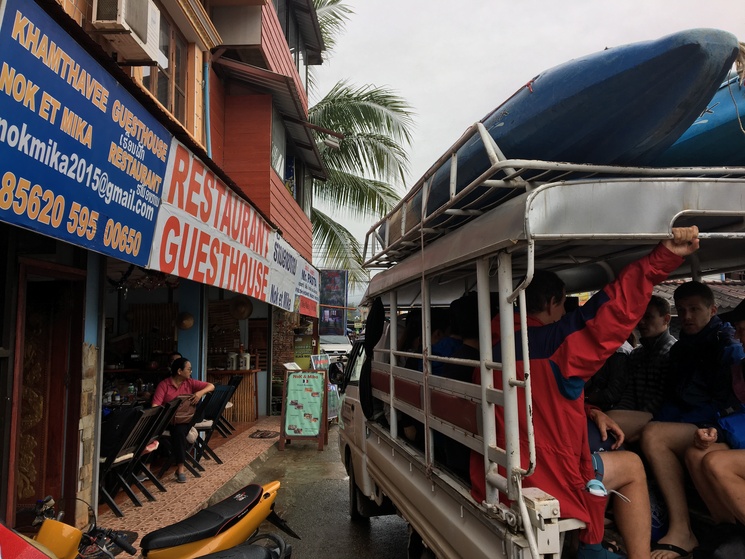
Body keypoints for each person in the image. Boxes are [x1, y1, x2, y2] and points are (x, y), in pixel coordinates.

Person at [471, 226, 701, 559]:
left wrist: (591, 411)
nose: (564, 314)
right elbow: (608, 315)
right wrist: (660, 259)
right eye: (563, 306)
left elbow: (535, 398)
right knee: (632, 465)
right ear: (552, 302)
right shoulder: (552, 345)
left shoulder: (493, 346)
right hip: (547, 473)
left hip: (501, 468)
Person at [640, 284, 745, 559]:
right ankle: (726, 530)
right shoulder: (683, 348)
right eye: (682, 310)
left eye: (694, 309)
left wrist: (717, 431)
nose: (686, 316)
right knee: (697, 453)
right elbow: (677, 396)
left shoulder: (727, 348)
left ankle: (688, 529)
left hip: (717, 424)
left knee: (656, 435)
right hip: (717, 427)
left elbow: (727, 405)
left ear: (712, 310)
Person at [607, 296, 676, 443]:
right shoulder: (637, 354)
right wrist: (621, 412)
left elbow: (663, 398)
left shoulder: (672, 352)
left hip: (660, 417)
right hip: (637, 414)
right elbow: (629, 393)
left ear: (666, 319)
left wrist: (631, 419)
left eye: (648, 317)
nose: (641, 322)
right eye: (640, 317)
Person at [151, 357, 214, 483]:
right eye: (189, 369)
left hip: (185, 420)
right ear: (179, 371)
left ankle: (180, 468)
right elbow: (155, 406)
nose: (191, 372)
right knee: (177, 432)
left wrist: (199, 393)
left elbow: (211, 386)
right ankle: (178, 467)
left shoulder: (189, 383)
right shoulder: (164, 385)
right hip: (168, 422)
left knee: (180, 431)